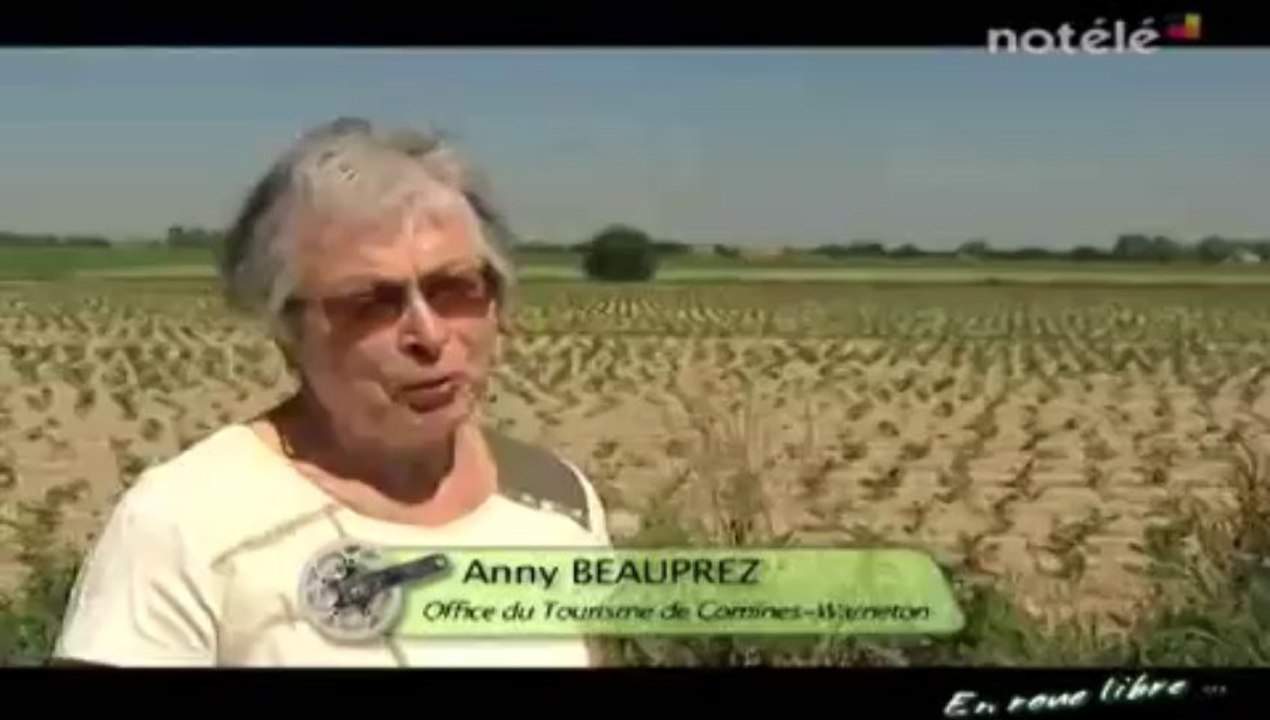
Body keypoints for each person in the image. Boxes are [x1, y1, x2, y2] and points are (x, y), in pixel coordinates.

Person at [52, 117, 611, 667]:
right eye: (370, 303)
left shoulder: (555, 496)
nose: (429, 334)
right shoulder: (184, 523)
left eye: (456, 289)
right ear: (288, 327)